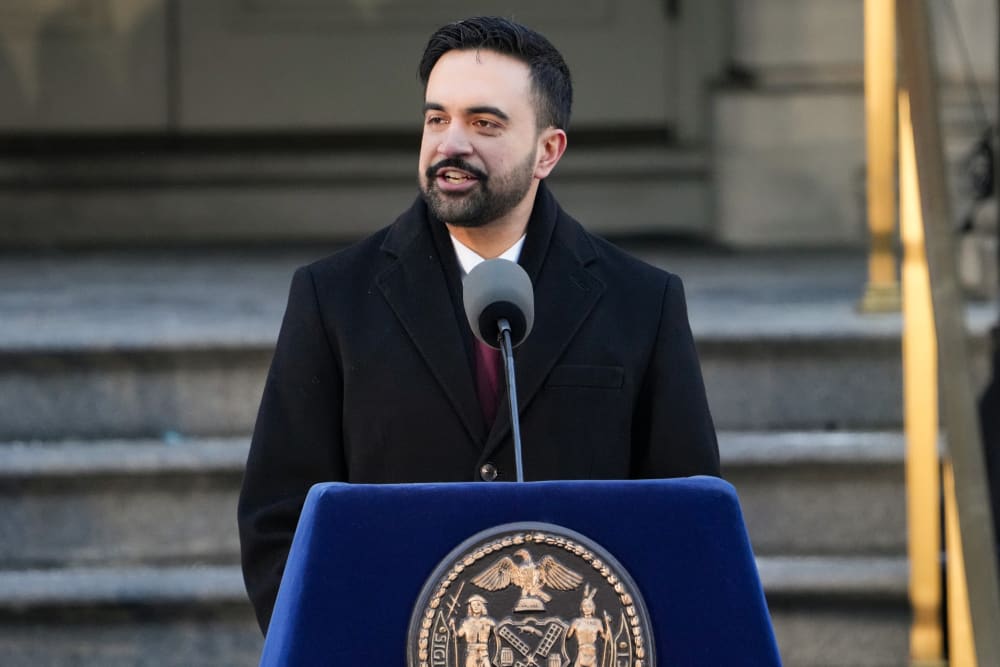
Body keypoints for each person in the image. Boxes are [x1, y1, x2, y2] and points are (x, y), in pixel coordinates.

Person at [238, 16, 720, 634]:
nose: (450, 143)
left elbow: (686, 520)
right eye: (437, 118)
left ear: (548, 151)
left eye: (484, 123)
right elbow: (277, 518)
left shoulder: (642, 301)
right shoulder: (333, 296)